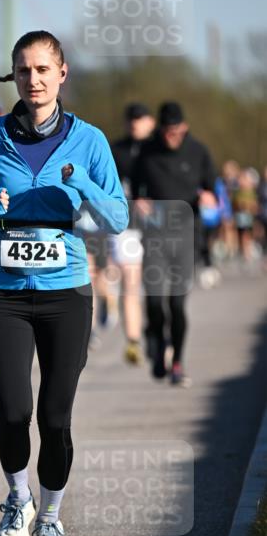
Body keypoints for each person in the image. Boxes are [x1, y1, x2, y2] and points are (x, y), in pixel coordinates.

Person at [0, 30, 128, 536]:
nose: (33, 80)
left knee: (55, 416)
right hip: (2, 292)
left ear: (62, 73)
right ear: (14, 76)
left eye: (43, 70)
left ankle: (50, 518)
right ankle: (17, 500)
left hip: (66, 293)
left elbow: (116, 218)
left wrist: (81, 185)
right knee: (12, 410)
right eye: (24, 70)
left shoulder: (89, 140)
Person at [131, 101, 216, 387]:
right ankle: (156, 340)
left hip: (186, 236)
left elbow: (212, 189)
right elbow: (135, 189)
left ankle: (177, 361)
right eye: (167, 131)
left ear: (185, 128)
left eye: (177, 131)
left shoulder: (198, 151)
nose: (172, 137)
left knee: (177, 305)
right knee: (154, 302)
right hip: (155, 237)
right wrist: (139, 203)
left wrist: (208, 198)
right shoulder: (146, 151)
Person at [110, 103, 156, 365]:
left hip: (161, 228)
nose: (135, 123)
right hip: (128, 228)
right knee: (131, 282)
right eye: (131, 119)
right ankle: (134, 341)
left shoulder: (161, 149)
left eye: (140, 118)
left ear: (150, 121)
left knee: (159, 287)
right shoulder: (116, 150)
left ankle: (157, 332)